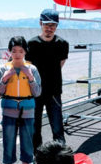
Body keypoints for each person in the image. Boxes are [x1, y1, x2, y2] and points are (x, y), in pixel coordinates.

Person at [0, 36, 41, 164]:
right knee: (8, 143)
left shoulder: (32, 69)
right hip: (9, 111)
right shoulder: (3, 69)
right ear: (9, 52)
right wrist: (4, 79)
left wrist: (29, 77)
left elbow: (37, 92)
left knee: (27, 143)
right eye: (14, 51)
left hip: (27, 111)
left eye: (20, 51)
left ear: (25, 52)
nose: (17, 54)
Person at [26, 9, 69, 152]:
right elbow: (29, 68)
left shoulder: (62, 43)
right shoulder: (31, 44)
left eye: (53, 25)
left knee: (57, 127)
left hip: (54, 91)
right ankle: (37, 157)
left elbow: (60, 64)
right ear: (40, 23)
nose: (49, 28)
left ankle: (61, 157)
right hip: (35, 92)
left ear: (56, 26)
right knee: (35, 127)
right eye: (46, 24)